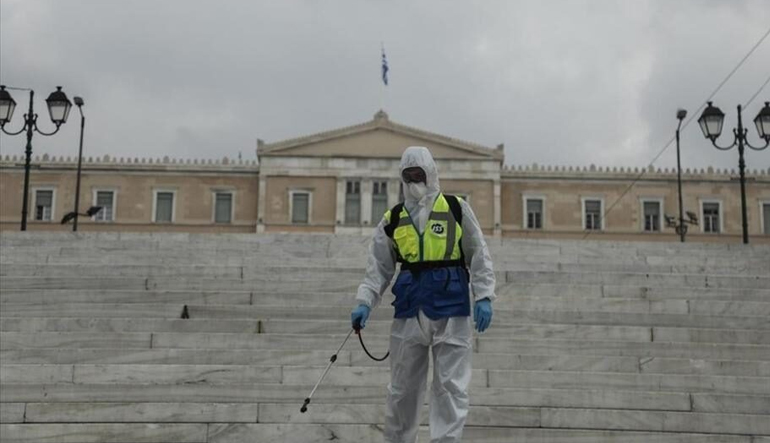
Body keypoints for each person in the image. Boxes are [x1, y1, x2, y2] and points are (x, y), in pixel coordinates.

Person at [351, 146, 496, 443]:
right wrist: (365, 301)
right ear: (402, 178)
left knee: (450, 386)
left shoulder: (455, 208)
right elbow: (378, 266)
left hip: (451, 306)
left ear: (431, 174)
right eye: (409, 175)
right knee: (402, 388)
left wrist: (484, 295)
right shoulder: (393, 218)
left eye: (420, 174)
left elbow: (478, 252)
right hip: (410, 308)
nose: (415, 180)